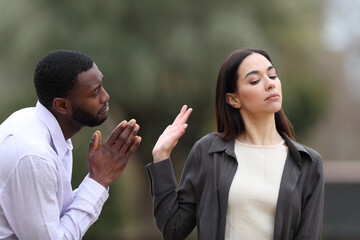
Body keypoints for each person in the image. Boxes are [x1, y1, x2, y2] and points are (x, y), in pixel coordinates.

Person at [145, 48, 324, 240]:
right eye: (255, 80)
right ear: (233, 99)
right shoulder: (208, 152)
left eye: (272, 75)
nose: (270, 84)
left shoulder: (307, 162)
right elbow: (173, 229)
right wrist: (161, 157)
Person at [0, 50, 142, 239]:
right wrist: (99, 180)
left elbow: (53, 215)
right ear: (62, 106)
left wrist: (96, 179)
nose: (106, 97)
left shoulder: (36, 122)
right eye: (95, 92)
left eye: (102, 86)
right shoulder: (34, 157)